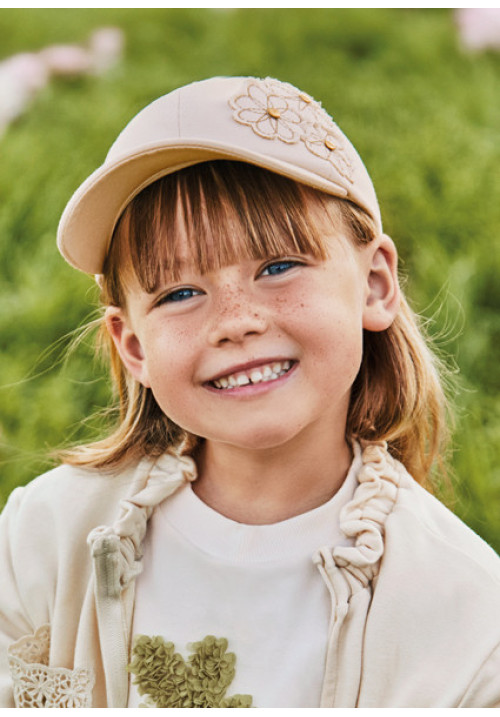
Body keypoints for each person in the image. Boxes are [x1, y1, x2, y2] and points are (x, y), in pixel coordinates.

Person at [1, 76, 499, 709]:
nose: (236, 320)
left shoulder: (466, 614)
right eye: (179, 293)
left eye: (277, 267)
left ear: (374, 284)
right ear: (133, 347)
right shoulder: (44, 538)